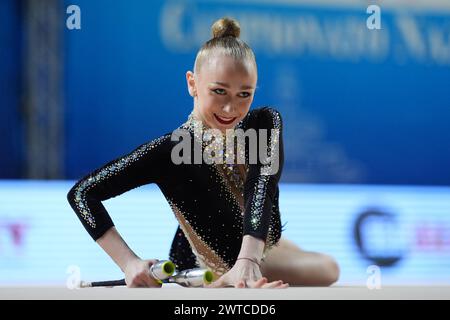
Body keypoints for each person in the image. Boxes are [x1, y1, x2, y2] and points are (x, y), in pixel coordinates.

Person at [67, 17, 339, 288]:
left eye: (244, 94)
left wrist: (249, 261)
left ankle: (243, 256)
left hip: (253, 249)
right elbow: (81, 193)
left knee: (311, 259)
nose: (231, 108)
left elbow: (262, 185)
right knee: (328, 269)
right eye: (219, 91)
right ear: (192, 83)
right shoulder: (171, 150)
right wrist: (129, 262)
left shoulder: (263, 123)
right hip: (215, 262)